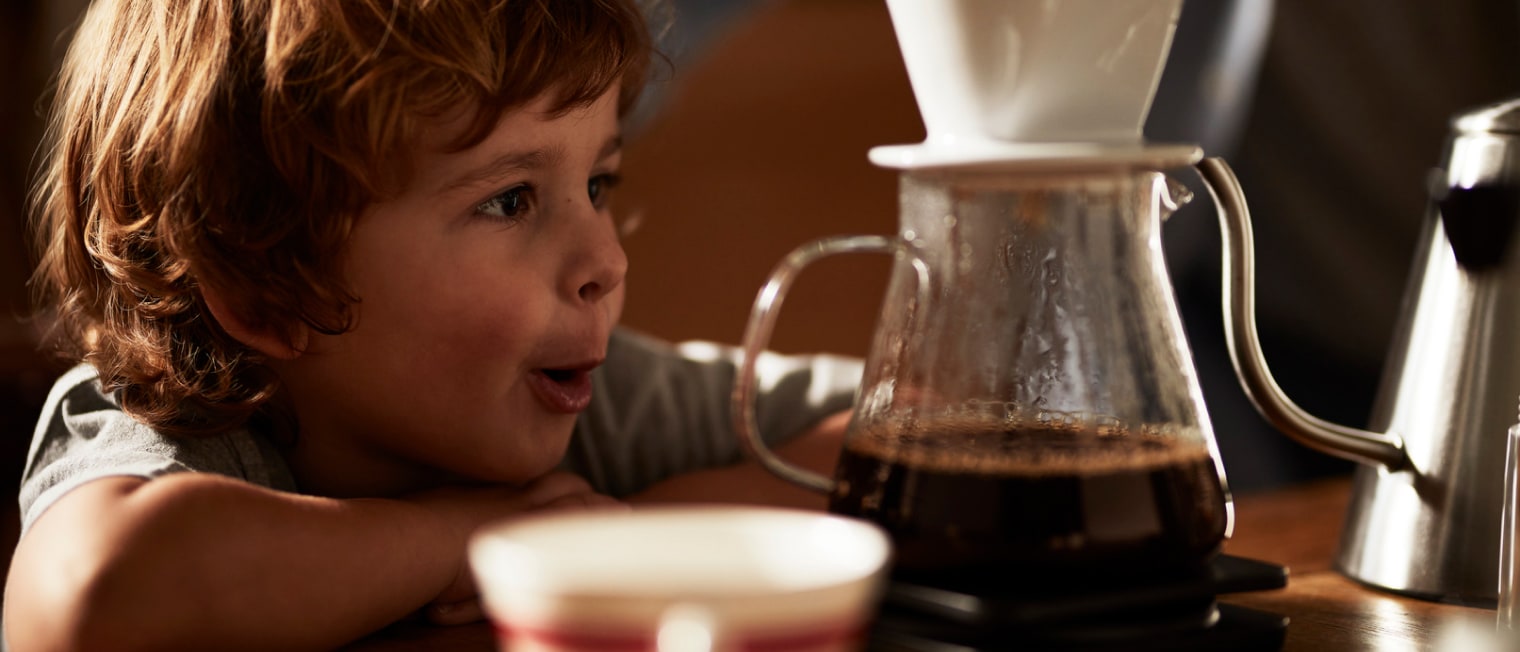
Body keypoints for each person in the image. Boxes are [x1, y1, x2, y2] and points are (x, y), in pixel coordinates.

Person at [3, 0, 861, 649]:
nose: (607, 260)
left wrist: (606, 540)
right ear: (267, 286)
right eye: (510, 199)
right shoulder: (178, 429)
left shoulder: (585, 396)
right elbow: (90, 598)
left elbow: (901, 429)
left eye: (598, 185)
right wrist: (469, 541)